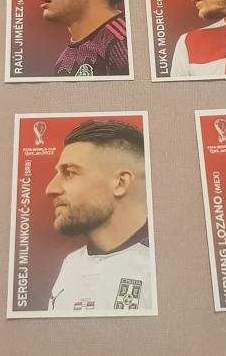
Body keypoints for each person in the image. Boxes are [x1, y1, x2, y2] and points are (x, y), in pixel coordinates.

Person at [45, 120, 153, 312]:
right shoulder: (71, 264)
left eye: (69, 173)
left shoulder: (158, 264)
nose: (51, 188)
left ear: (120, 183)